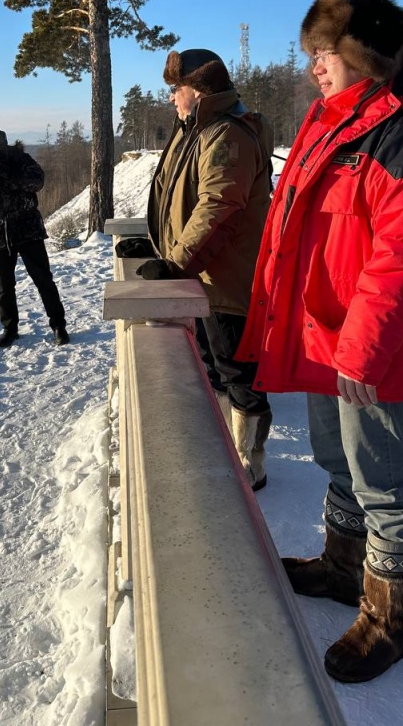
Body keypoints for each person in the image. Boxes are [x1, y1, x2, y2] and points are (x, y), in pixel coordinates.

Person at [236, 0, 403, 683]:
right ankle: (344, 568)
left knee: (382, 478)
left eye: (324, 51)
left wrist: (363, 348)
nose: (313, 65)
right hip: (321, 332)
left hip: (369, 345)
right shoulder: (328, 120)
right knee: (333, 457)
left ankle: (390, 618)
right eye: (310, 52)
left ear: (364, 55)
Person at [136, 48, 275, 489]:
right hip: (206, 275)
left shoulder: (226, 134)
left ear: (195, 90)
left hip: (227, 279)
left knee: (238, 372)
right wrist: (161, 242)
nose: (173, 99)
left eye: (176, 90)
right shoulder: (198, 128)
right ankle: (227, 452)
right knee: (216, 368)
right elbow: (178, 192)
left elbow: (218, 207)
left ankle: (250, 463)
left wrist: (175, 261)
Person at [0, 125, 69, 348]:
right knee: (4, 287)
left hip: (27, 228)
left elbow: (37, 182)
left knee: (43, 280)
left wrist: (10, 173)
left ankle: (59, 326)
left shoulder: (20, 158)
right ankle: (10, 329)